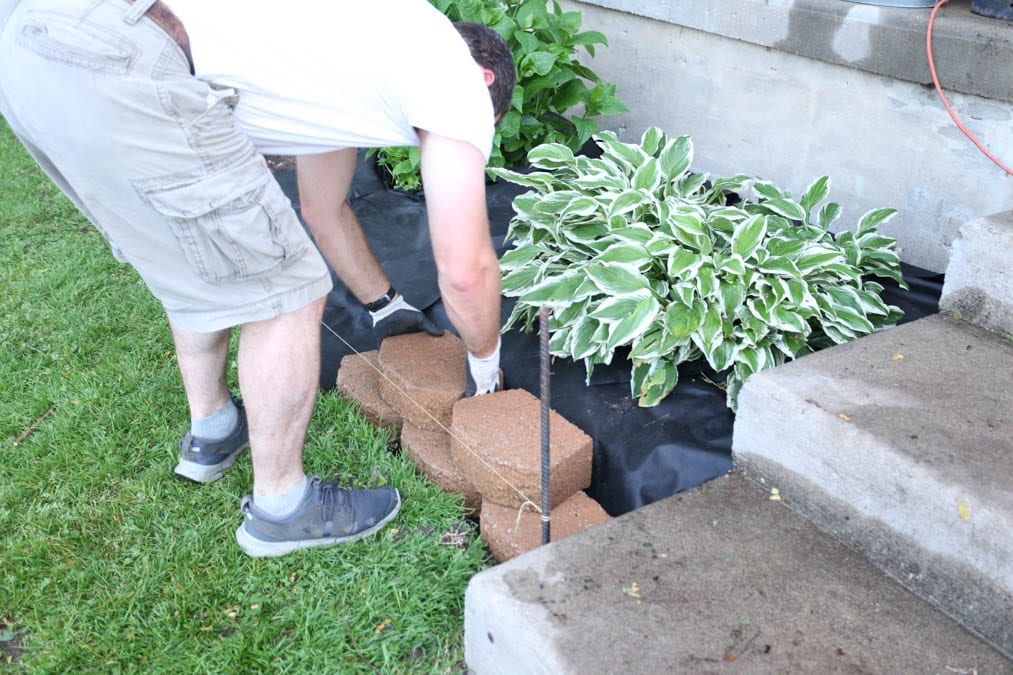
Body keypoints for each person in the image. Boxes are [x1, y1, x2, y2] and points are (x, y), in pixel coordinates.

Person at [0, 0, 515, 557]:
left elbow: (323, 207)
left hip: (38, 47)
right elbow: (464, 271)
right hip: (130, 59)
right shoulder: (455, 75)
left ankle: (214, 430)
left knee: (191, 260)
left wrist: (386, 305)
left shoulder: (374, 43)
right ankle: (282, 508)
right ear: (485, 79)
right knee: (290, 293)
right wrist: (485, 366)